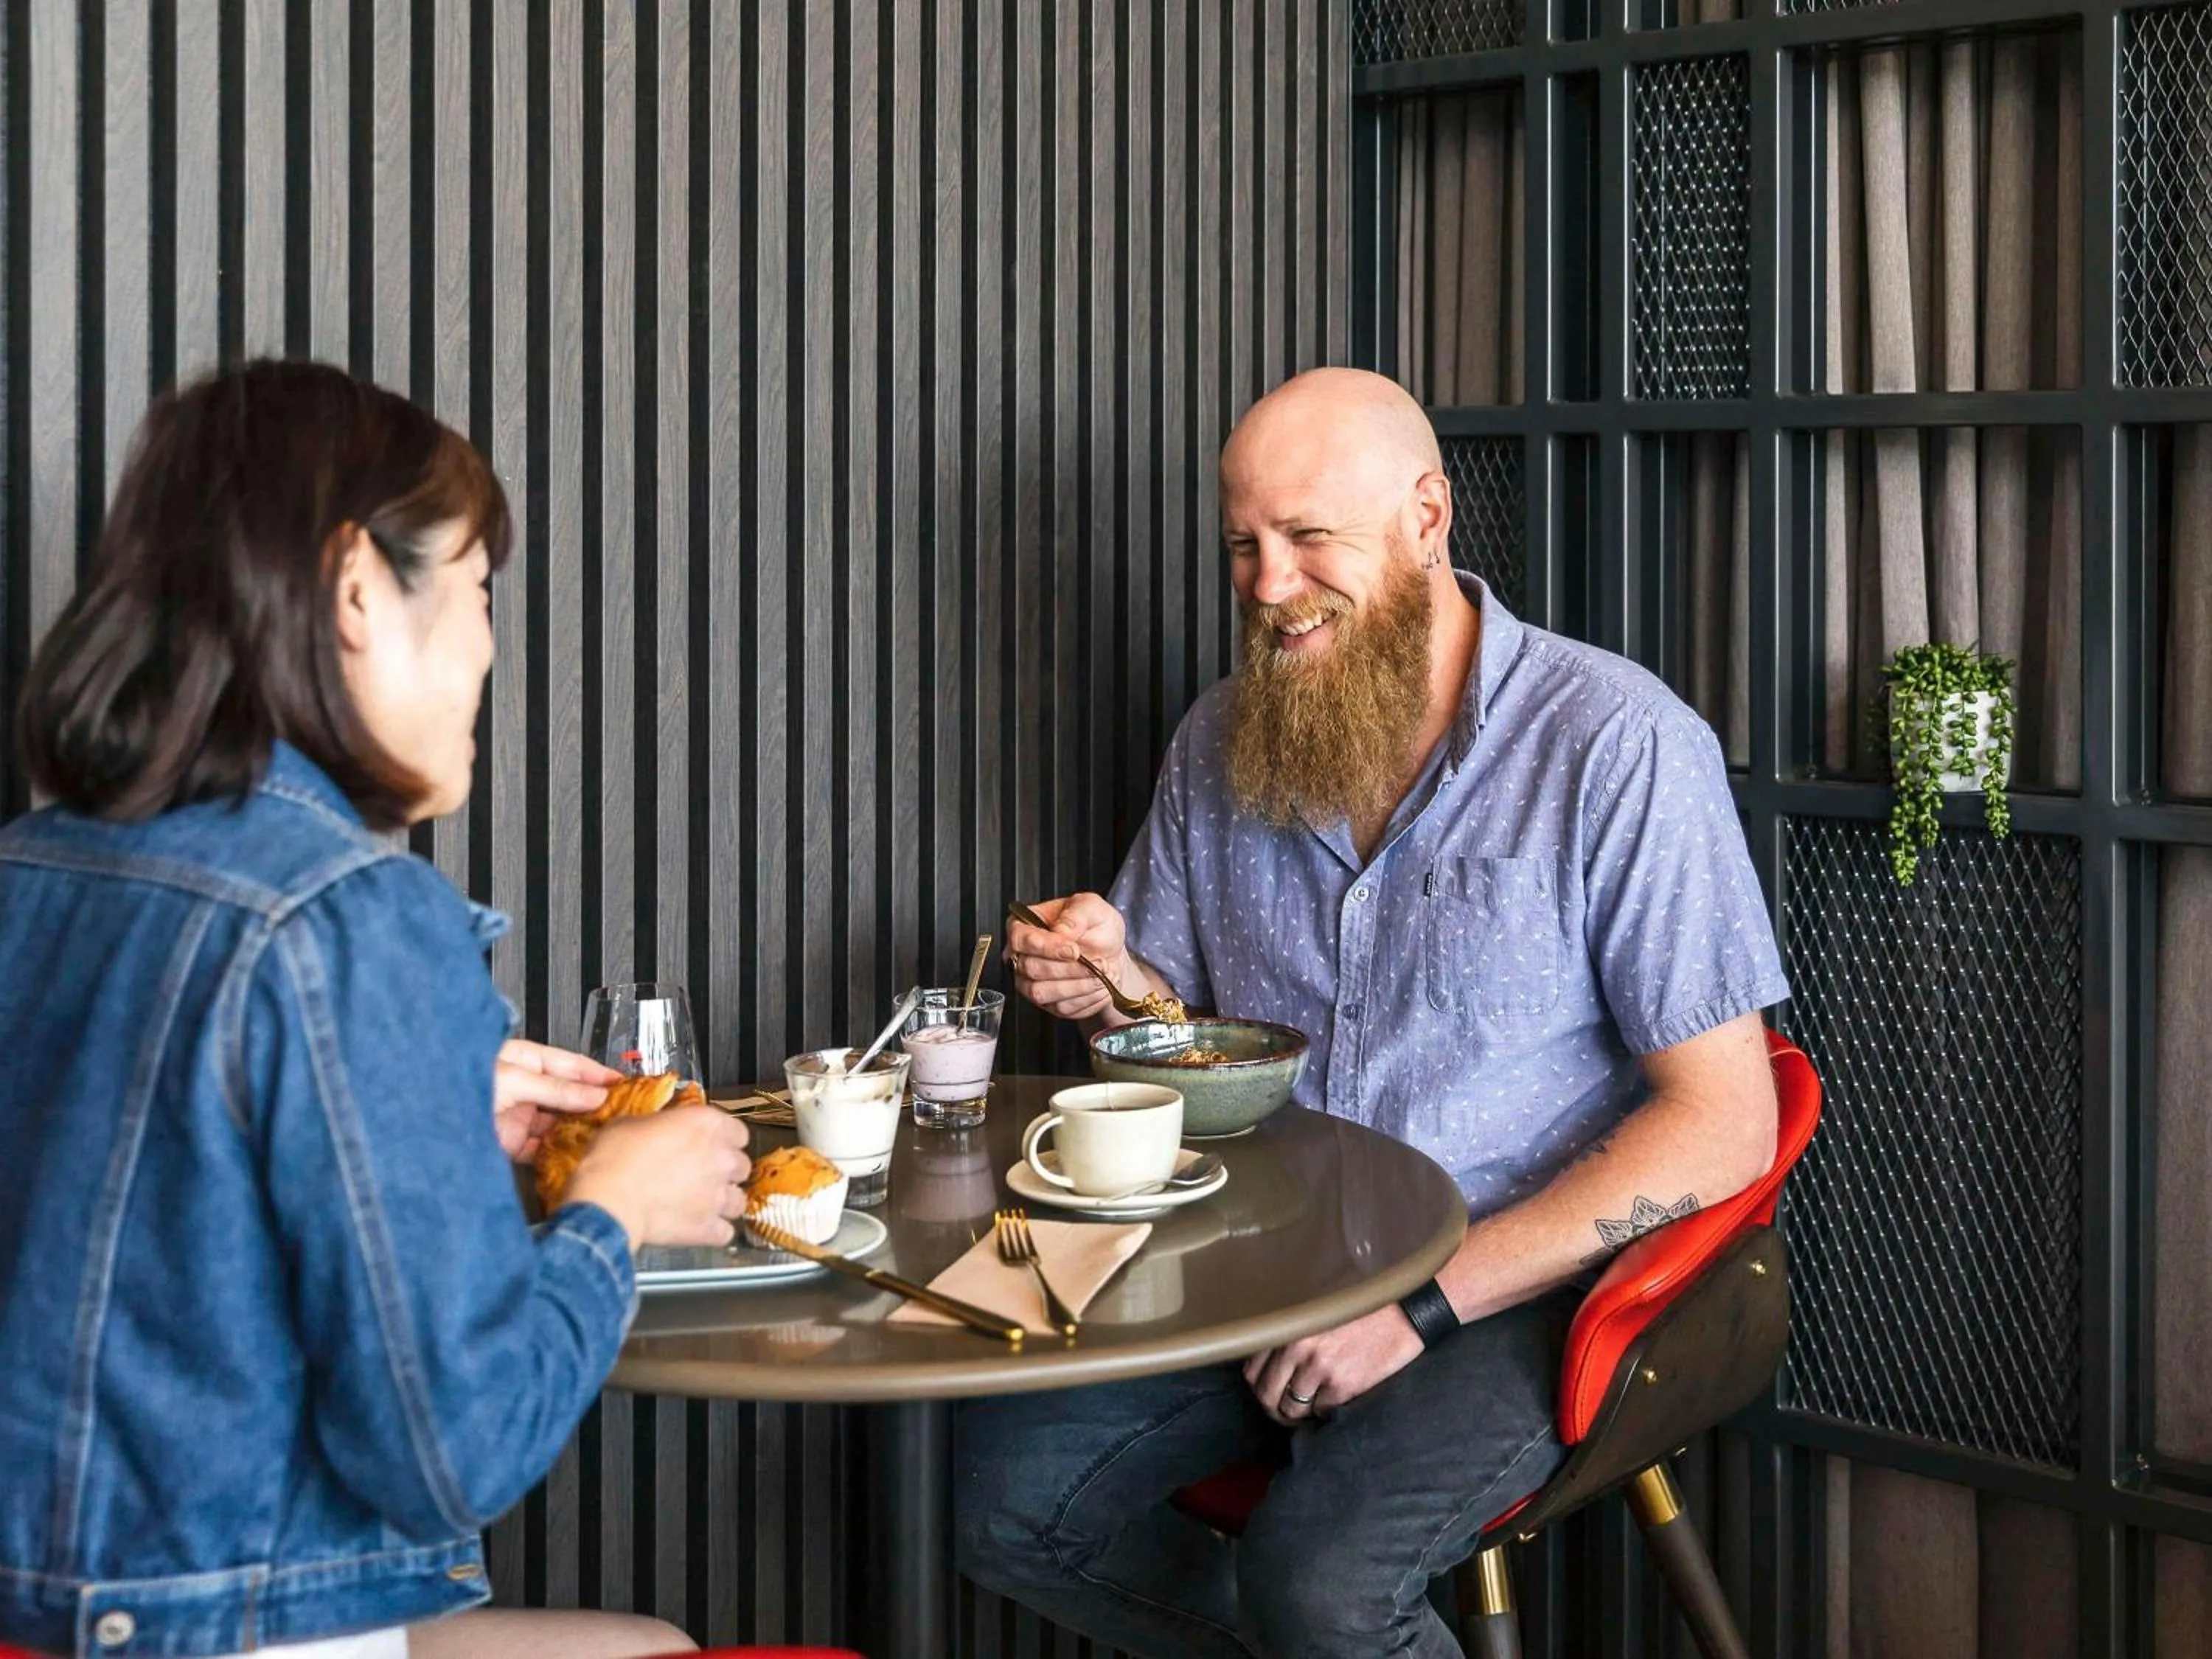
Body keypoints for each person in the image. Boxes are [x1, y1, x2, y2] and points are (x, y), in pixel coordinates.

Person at [958, 368, 1790, 1659]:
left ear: (1426, 517)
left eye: (1308, 539)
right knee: (1004, 1503)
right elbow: (1176, 1029)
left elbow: (1726, 1122)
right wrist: (1109, 982)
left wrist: (1414, 1311)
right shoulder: (1218, 737)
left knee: (1324, 1583)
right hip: (1276, 1258)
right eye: (1243, 544)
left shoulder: (1616, 743)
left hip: (1536, 1280)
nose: (1267, 585)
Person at [0, 361, 752, 1659]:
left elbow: (138, 1194)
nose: (490, 647)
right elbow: (449, 1453)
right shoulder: (349, 916)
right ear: (357, 588)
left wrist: (438, 1113)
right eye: (478, 592)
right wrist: (612, 1213)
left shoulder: (31, 864)